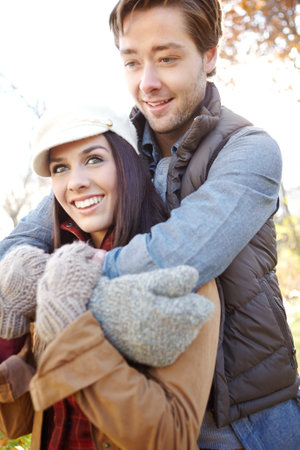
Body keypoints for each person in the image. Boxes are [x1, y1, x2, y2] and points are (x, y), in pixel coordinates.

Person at [0, 0, 299, 448]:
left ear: (210, 55)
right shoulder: (111, 149)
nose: (148, 82)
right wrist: (31, 284)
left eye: (167, 58)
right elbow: (17, 249)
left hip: (242, 419)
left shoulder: (250, 151)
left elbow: (177, 256)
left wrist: (63, 281)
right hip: (137, 396)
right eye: (132, 61)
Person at [0, 105, 220, 449]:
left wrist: (71, 326)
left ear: (128, 165)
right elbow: (17, 421)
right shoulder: (56, 271)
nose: (76, 182)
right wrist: (8, 326)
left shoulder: (175, 274)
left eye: (94, 159)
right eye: (61, 168)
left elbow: (171, 438)